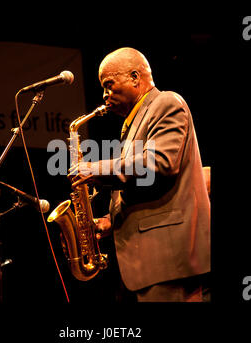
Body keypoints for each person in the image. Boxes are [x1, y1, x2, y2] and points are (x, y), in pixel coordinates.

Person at [69, 47, 210, 302]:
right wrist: (113, 220)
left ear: (135, 77)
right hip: (152, 261)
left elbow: (160, 163)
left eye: (109, 85)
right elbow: (147, 187)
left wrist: (96, 168)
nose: (104, 95)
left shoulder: (166, 103)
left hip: (168, 259)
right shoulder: (135, 121)